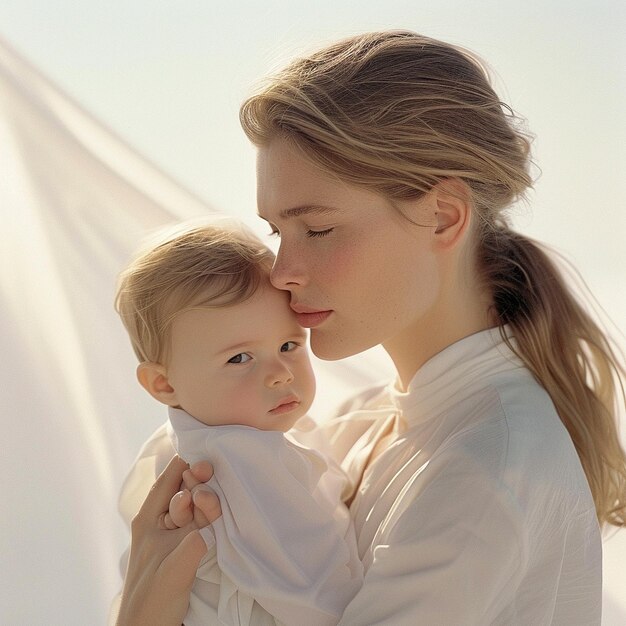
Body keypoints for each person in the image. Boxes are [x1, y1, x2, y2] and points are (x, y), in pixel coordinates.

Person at [115, 31, 626, 625]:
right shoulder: (360, 425)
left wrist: (144, 610)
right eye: (279, 232)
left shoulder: (489, 466)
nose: (282, 273)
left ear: (443, 216)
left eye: (318, 230)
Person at [112, 222, 363, 625]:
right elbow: (319, 599)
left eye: (288, 345)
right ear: (164, 383)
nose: (280, 373)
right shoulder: (240, 460)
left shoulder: (178, 446)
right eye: (239, 358)